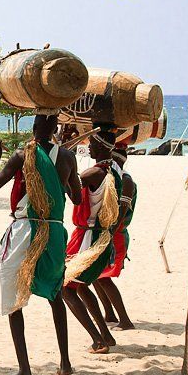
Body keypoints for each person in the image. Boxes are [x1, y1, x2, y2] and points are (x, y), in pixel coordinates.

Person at [0, 113, 81, 375]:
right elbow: (77, 197)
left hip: (25, 231)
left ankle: (25, 371)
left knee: (14, 297)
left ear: (35, 127)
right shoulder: (68, 158)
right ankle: (65, 363)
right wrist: (64, 175)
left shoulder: (21, 155)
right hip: (53, 234)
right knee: (55, 294)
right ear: (55, 130)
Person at [62, 127, 122, 354]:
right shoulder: (114, 171)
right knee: (81, 287)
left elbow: (70, 186)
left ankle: (98, 340)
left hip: (89, 236)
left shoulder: (95, 173)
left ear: (102, 147)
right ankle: (105, 335)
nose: (89, 147)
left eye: (93, 144)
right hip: (94, 235)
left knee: (66, 288)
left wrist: (62, 153)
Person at [94, 144, 136, 330]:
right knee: (95, 276)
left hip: (115, 234)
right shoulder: (116, 178)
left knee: (103, 277)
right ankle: (109, 313)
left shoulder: (126, 181)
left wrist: (108, 235)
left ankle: (125, 320)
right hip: (107, 233)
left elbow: (121, 212)